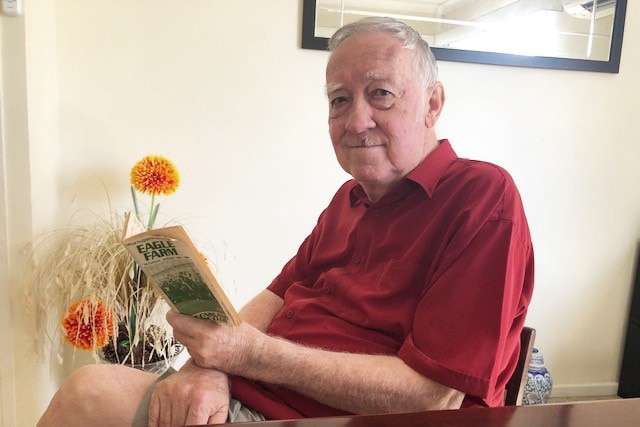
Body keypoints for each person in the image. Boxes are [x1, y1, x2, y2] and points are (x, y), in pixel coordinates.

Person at [37, 16, 534, 427]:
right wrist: (205, 369)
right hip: (260, 395)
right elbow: (275, 298)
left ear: (432, 103)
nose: (356, 120)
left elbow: (430, 397)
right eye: (339, 100)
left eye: (381, 94)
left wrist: (242, 358)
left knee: (90, 394)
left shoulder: (482, 198)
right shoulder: (349, 198)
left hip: (334, 417)